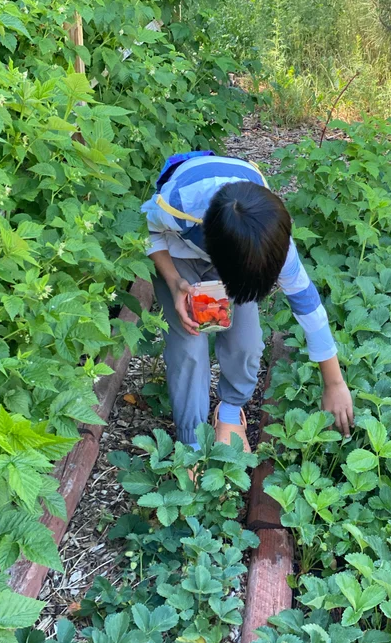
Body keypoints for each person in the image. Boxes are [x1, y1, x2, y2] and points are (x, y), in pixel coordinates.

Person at [141, 151, 354, 452]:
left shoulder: (270, 240)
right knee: (189, 346)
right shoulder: (178, 205)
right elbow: (147, 231)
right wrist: (175, 282)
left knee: (247, 341)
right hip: (176, 255)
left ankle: (229, 412)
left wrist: (334, 383)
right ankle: (192, 441)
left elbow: (308, 305)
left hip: (232, 250)